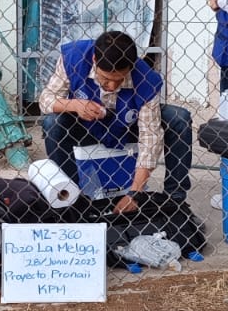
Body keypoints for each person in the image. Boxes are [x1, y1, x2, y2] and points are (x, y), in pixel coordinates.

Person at [39, 30, 193, 213]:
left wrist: (135, 193)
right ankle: (71, 199)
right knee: (52, 122)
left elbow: (150, 136)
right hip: (85, 126)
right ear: (95, 59)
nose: (112, 86)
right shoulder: (74, 57)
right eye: (105, 79)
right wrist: (74, 105)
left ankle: (174, 201)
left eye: (119, 80)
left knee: (179, 118)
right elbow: (45, 100)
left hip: (127, 127)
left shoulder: (145, 78)